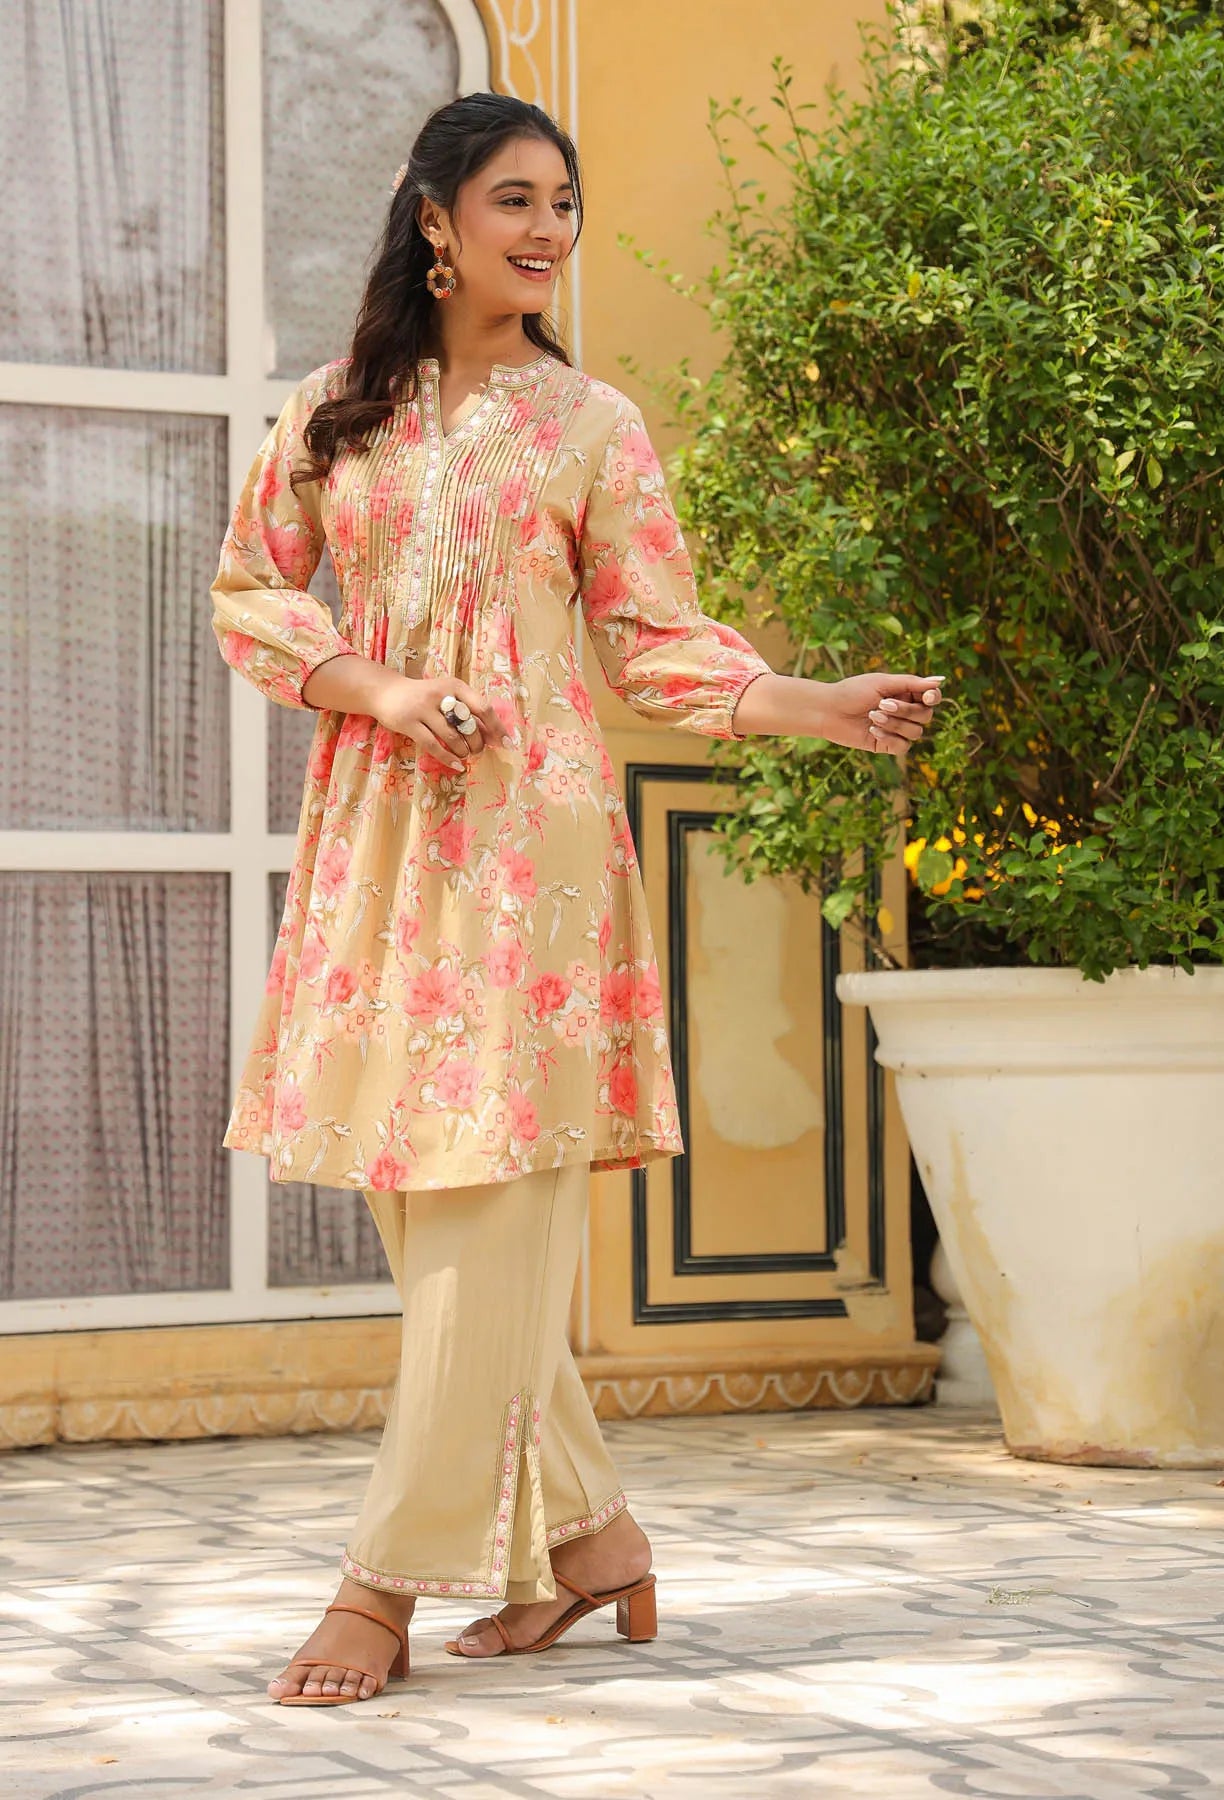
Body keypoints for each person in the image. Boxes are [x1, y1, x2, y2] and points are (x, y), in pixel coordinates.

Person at [210, 91, 944, 1708]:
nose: (547, 232)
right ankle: (593, 1539)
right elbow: (249, 591)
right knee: (434, 1220)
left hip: (530, 865)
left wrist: (808, 701)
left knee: (485, 1236)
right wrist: (374, 685)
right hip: (379, 838)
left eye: (565, 204)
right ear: (434, 218)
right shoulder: (334, 416)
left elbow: (655, 640)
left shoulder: (593, 426)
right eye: (515, 201)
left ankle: (379, 1587)